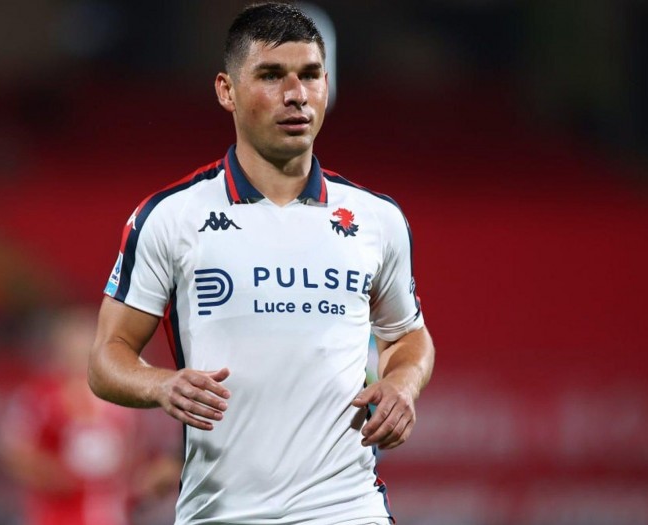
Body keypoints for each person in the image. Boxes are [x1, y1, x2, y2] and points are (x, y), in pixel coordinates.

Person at [88, 3, 435, 524]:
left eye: (310, 75)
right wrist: (160, 385)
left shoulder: (376, 219)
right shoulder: (170, 217)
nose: (296, 94)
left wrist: (402, 384)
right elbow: (105, 358)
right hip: (221, 512)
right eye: (272, 76)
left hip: (347, 509)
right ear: (226, 90)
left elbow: (408, 336)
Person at [0, 308, 181, 525]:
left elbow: (135, 453)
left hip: (111, 515)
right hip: (56, 516)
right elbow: (17, 453)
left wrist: (132, 479)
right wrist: (65, 476)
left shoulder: (120, 397)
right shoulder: (37, 397)